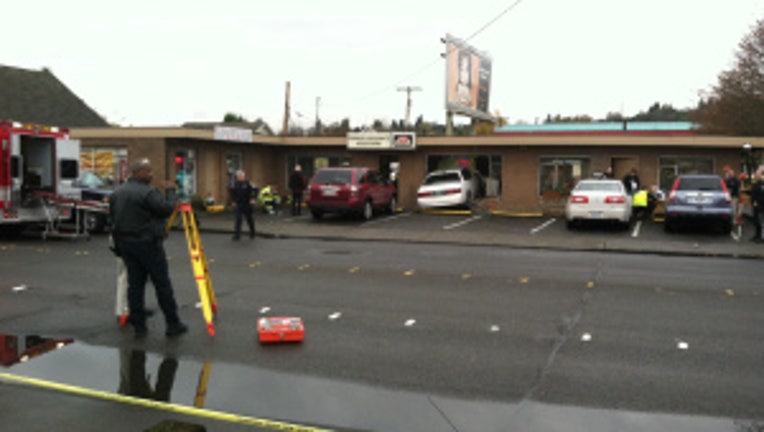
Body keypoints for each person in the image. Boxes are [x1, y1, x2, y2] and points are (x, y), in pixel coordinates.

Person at [109, 158, 188, 338]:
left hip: (126, 243)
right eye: (148, 171)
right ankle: (173, 323)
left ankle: (139, 325)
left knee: (135, 285)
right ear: (138, 173)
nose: (152, 174)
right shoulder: (147, 193)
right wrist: (170, 192)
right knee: (162, 283)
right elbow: (166, 209)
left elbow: (113, 217)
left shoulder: (118, 192)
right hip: (147, 244)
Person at [229, 170, 255, 240]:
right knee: (238, 219)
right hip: (239, 204)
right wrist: (233, 201)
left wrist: (252, 198)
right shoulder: (234, 184)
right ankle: (237, 235)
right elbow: (232, 193)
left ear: (244, 176)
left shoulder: (248, 183)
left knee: (249, 219)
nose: (240, 177)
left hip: (247, 203)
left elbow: (254, 190)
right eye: (238, 176)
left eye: (241, 176)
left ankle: (252, 232)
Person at [749, 169, 764, 242]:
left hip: (760, 205)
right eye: (755, 174)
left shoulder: (762, 184)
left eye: (757, 175)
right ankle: (756, 235)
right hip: (754, 206)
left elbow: (762, 194)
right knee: (755, 221)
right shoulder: (755, 183)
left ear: (760, 175)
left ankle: (761, 237)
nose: (755, 176)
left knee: (760, 221)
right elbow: (753, 193)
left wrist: (757, 202)